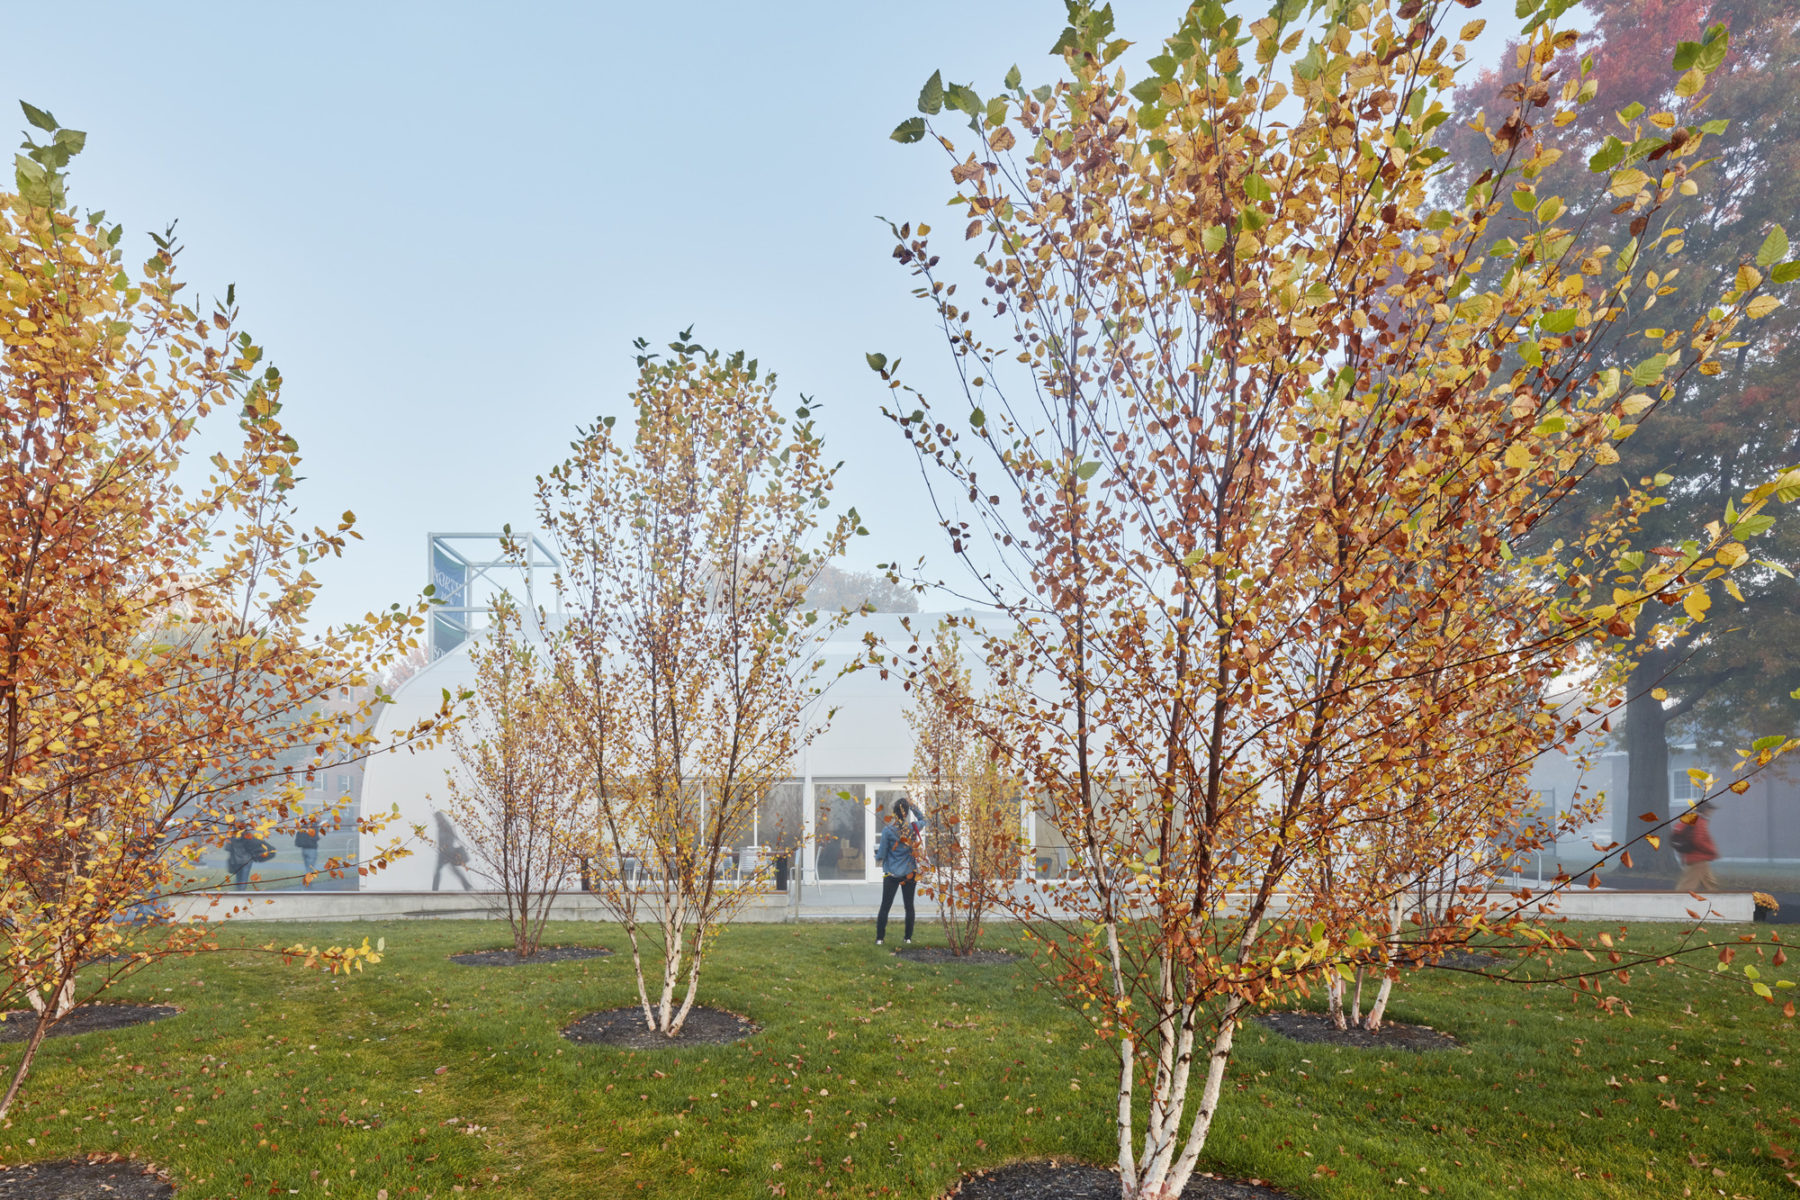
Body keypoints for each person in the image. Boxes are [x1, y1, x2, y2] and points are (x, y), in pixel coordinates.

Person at [874, 797, 923, 946]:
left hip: (892, 874)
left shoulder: (888, 830)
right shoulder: (914, 827)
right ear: (907, 813)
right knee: (909, 906)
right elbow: (925, 819)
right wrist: (913, 806)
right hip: (909, 873)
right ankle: (908, 938)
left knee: (885, 906)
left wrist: (876, 856)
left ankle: (880, 939)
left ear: (894, 813)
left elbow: (881, 854)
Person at [1672, 804, 1719, 893]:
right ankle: (1676, 900)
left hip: (1695, 857)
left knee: (1710, 883)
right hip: (1698, 858)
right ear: (1705, 810)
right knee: (1687, 885)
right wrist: (1712, 850)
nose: (1711, 812)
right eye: (1710, 810)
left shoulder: (1690, 819)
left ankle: (1715, 899)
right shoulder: (1699, 821)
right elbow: (1698, 840)